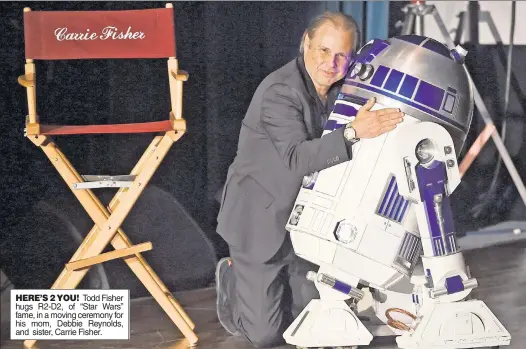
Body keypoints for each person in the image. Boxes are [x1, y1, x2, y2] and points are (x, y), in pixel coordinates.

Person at [215, 11, 404, 348]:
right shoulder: (279, 91)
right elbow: (296, 157)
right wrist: (352, 133)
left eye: (342, 55)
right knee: (266, 335)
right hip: (259, 221)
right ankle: (233, 279)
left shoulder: (340, 92)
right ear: (305, 43)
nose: (331, 63)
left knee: (314, 324)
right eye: (323, 50)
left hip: (305, 223)